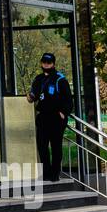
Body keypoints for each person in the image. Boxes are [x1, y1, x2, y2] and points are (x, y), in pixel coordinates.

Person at [27, 52, 73, 182]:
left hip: (56, 118)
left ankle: (54, 174)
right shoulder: (38, 79)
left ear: (53, 63)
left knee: (56, 146)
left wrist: (63, 113)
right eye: (44, 62)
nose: (46, 65)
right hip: (43, 117)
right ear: (41, 63)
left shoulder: (60, 79)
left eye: (49, 62)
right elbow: (33, 95)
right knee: (42, 146)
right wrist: (30, 97)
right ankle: (46, 172)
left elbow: (69, 100)